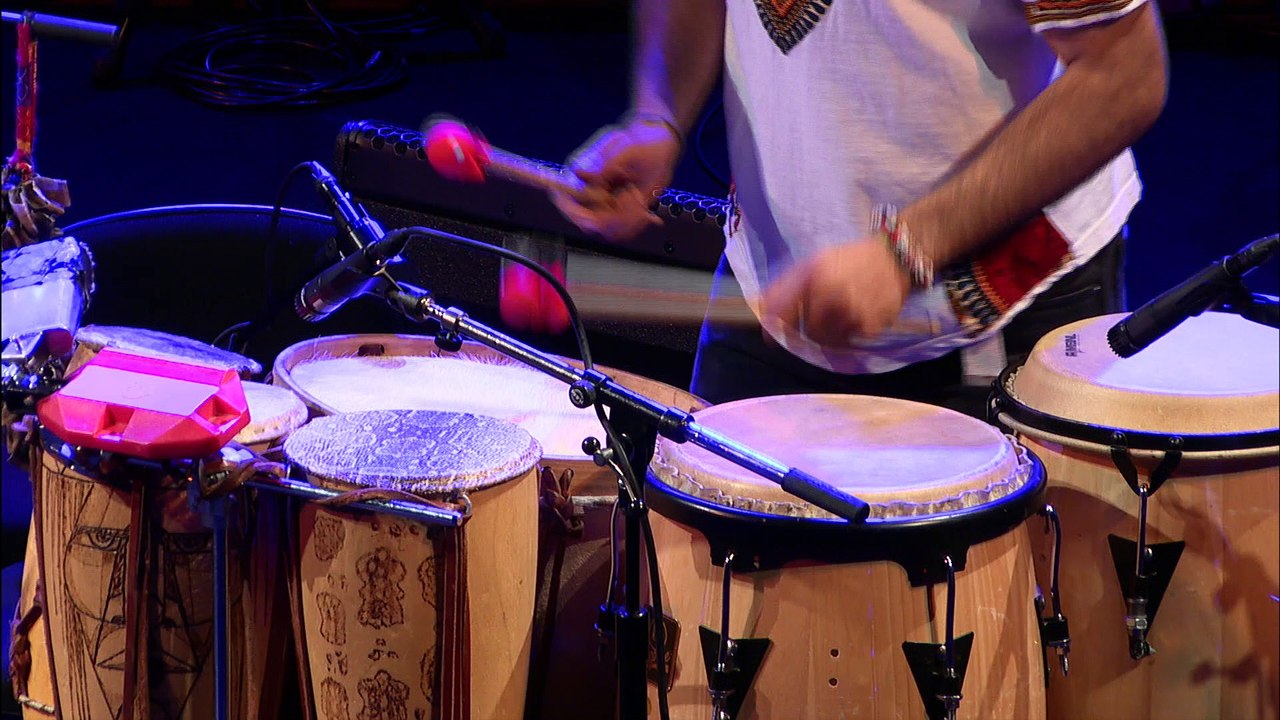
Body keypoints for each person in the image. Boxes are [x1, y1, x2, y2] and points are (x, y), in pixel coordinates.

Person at [552, 0, 1168, 417]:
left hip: (1002, 304)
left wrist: (908, 251)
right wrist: (659, 112)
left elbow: (1124, 74)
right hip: (771, 279)